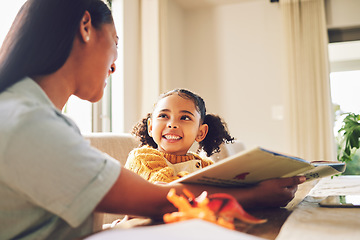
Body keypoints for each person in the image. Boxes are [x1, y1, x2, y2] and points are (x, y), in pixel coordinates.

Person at [0, 0, 306, 239]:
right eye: (115, 43)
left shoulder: (34, 115)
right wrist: (256, 194)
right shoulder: (27, 120)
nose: (114, 65)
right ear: (85, 26)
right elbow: (159, 200)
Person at [125, 88, 235, 183]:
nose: (172, 124)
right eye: (163, 115)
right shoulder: (141, 158)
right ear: (151, 127)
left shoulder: (206, 165)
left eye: (185, 118)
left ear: (200, 132)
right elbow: (165, 188)